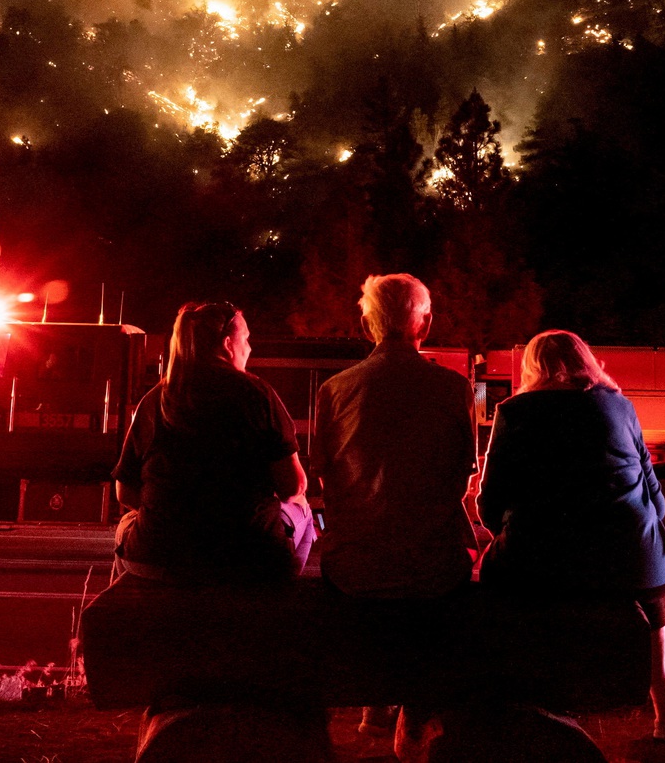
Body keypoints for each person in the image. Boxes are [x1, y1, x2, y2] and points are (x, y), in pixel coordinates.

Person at [476, 329, 665, 741]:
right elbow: (659, 503)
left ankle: (520, 699)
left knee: (494, 581)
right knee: (643, 581)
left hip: (540, 563)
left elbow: (490, 507)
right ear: (586, 362)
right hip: (632, 564)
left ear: (532, 368)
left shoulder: (514, 412)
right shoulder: (620, 406)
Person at [312, 274, 477, 761]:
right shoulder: (452, 389)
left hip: (353, 569)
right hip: (431, 569)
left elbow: (328, 484)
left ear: (368, 324)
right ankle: (416, 710)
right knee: (445, 579)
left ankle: (378, 702)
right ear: (424, 323)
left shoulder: (335, 390)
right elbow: (460, 480)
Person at [112, 301, 313, 582]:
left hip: (158, 556)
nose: (250, 348)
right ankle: (280, 596)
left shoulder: (154, 401)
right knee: (303, 510)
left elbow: (125, 493)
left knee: (127, 526)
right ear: (228, 343)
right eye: (246, 339)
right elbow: (292, 487)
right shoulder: (257, 394)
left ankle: (128, 613)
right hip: (248, 559)